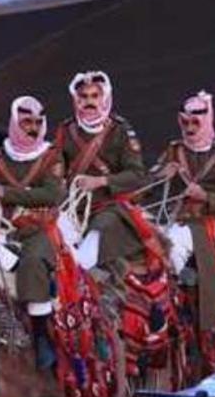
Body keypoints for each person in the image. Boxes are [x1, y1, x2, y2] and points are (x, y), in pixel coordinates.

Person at [0, 96, 65, 367]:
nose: (32, 128)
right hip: (0, 231)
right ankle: (11, 264)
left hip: (36, 229)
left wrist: (6, 193)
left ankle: (42, 337)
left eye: (37, 122)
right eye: (26, 122)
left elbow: (53, 193)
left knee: (34, 262)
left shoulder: (51, 156)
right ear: (14, 123)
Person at [151, 92, 215, 333]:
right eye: (185, 123)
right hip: (178, 219)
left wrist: (205, 197)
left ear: (206, 121)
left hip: (209, 222)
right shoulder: (173, 151)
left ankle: (194, 305)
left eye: (195, 123)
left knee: (172, 244)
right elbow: (150, 184)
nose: (189, 128)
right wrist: (160, 175)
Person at [55, 70, 150, 272]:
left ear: (104, 98)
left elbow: (136, 176)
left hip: (110, 208)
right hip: (72, 208)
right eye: (83, 96)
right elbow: (54, 168)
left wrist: (101, 181)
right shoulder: (66, 130)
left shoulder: (120, 130)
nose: (89, 102)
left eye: (95, 96)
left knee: (83, 260)